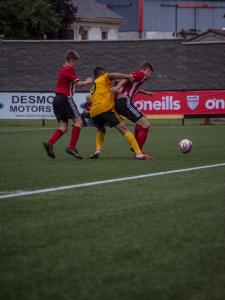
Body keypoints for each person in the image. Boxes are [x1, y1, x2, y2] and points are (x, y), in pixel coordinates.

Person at [89, 66, 151, 160]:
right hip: (109, 108)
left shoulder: (94, 85)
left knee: (101, 130)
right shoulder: (104, 78)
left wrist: (143, 92)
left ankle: (98, 150)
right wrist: (127, 77)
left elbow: (116, 84)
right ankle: (138, 152)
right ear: (102, 74)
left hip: (94, 112)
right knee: (133, 128)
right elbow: (115, 76)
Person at [43, 50, 92, 159]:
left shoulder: (62, 69)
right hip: (65, 98)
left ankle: (50, 143)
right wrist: (87, 81)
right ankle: (71, 147)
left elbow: (75, 84)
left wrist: (81, 83)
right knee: (79, 122)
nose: (76, 65)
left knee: (63, 127)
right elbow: (79, 83)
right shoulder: (69, 69)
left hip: (57, 99)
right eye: (76, 62)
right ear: (72, 60)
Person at [114, 62, 154, 153]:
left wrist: (144, 92)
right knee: (146, 124)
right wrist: (117, 87)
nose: (149, 76)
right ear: (145, 70)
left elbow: (132, 84)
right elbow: (127, 78)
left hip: (120, 102)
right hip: (123, 101)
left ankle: (136, 146)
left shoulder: (140, 79)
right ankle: (138, 151)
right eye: (150, 73)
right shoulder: (141, 74)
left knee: (142, 119)